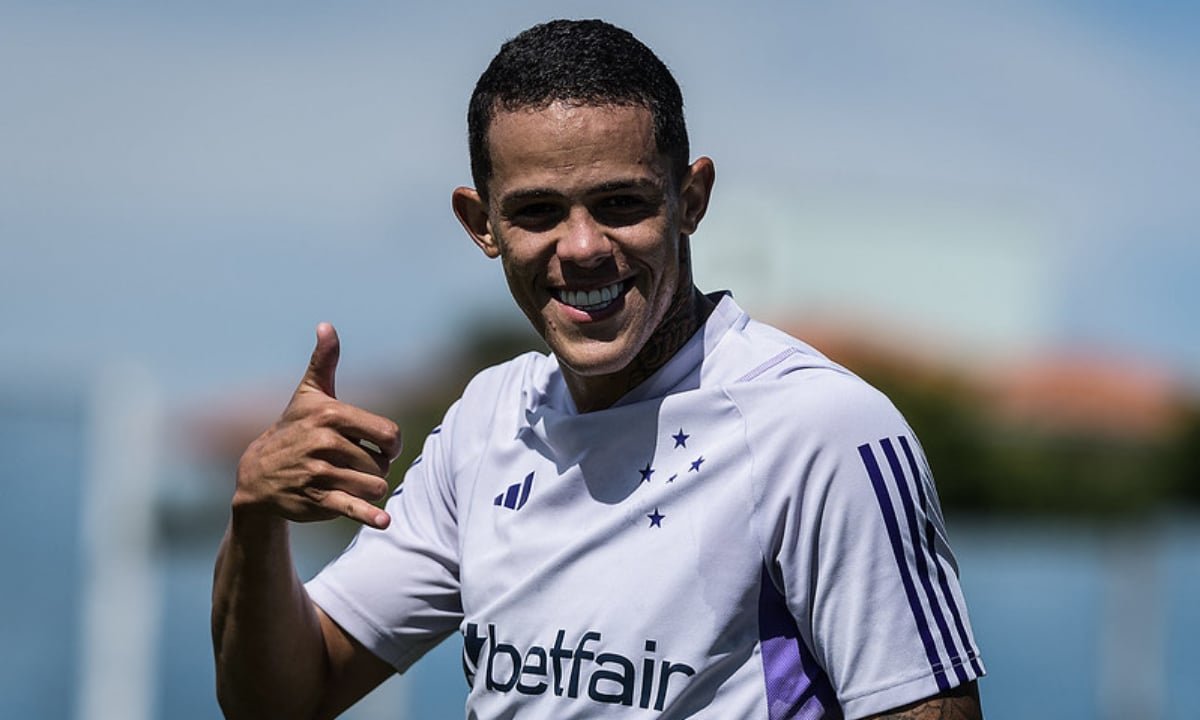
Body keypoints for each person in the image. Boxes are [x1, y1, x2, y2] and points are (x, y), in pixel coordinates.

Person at [212, 18, 985, 720]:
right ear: (482, 224)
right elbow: (286, 697)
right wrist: (254, 515)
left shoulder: (819, 428)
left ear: (692, 198)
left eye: (620, 202)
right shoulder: (487, 419)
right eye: (538, 212)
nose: (581, 248)